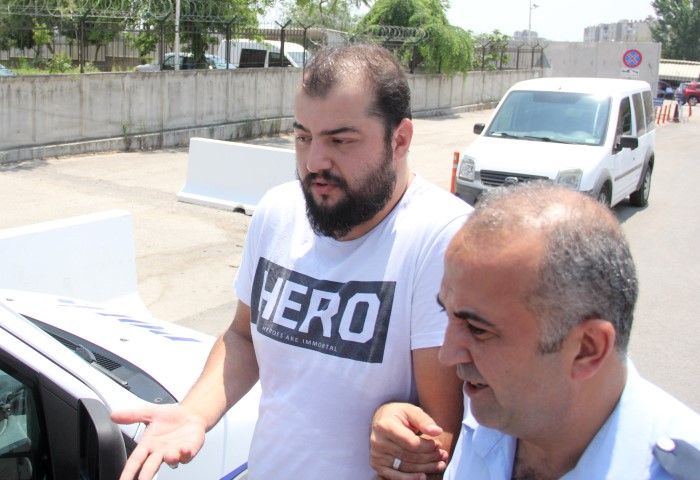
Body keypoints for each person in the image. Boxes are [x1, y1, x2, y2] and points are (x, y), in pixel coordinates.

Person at [111, 43, 471, 480]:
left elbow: (444, 435)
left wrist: (400, 436)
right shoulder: (278, 211)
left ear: (399, 139)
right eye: (303, 138)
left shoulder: (443, 239)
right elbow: (244, 337)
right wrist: (194, 413)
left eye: (341, 140)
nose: (315, 162)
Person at [370, 182, 700, 480]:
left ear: (587, 349)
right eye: (448, 315)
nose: (448, 354)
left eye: (479, 330)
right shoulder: (493, 411)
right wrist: (397, 426)